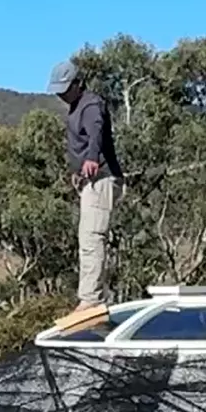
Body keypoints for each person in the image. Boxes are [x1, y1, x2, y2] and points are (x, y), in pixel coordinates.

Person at [48, 59, 124, 308]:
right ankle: (91, 297)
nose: (61, 95)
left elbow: (96, 132)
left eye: (64, 89)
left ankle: (91, 300)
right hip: (90, 180)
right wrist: (77, 171)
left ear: (78, 84)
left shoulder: (91, 105)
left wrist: (92, 158)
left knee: (92, 237)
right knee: (87, 238)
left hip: (101, 178)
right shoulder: (77, 106)